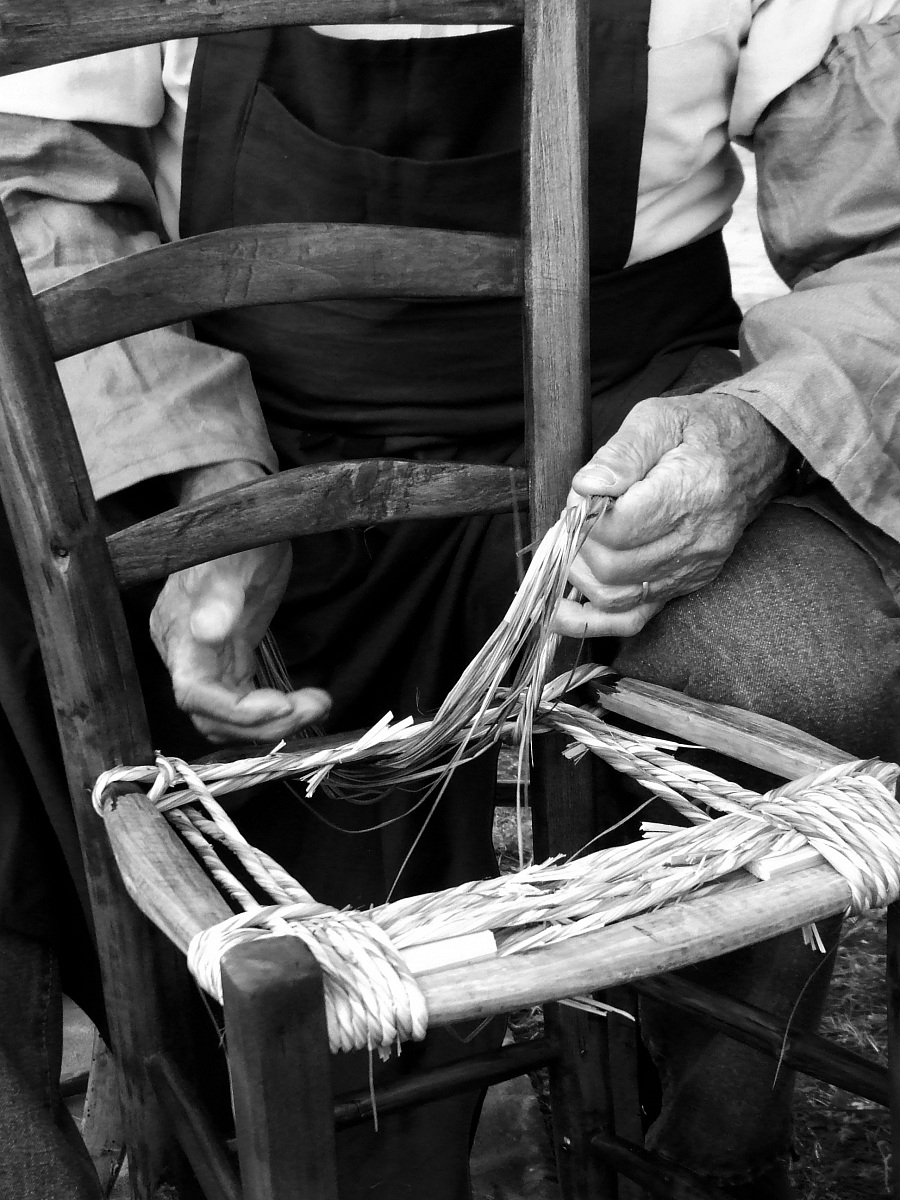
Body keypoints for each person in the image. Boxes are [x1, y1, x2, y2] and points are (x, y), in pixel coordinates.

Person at [0, 2, 899, 1197]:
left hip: (617, 439)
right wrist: (199, 481)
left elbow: (886, 241)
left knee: (809, 671)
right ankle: (115, 1130)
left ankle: (700, 1140)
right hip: (229, 405)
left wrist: (750, 430)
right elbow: (40, 196)